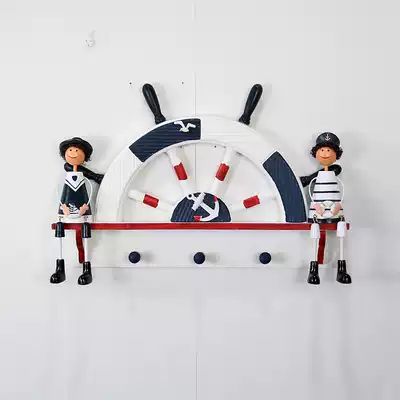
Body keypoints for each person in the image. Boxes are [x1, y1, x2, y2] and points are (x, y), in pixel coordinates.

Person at [50, 137, 103, 285]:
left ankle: (87, 269)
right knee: (60, 229)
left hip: (82, 214)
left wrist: (84, 208)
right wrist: (64, 208)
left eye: (77, 150)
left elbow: (85, 196)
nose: (73, 152)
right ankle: (60, 268)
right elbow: (64, 197)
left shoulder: (82, 180)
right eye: (71, 150)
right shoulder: (68, 179)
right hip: (67, 214)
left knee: (86, 233)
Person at [301, 132, 351, 285]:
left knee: (340, 236)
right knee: (315, 237)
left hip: (335, 213)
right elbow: (314, 197)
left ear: (336, 154)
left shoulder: (333, 180)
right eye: (322, 150)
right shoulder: (317, 180)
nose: (325, 153)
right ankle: (313, 270)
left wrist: (337, 207)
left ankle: (341, 270)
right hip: (318, 213)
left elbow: (338, 197)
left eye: (329, 150)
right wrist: (317, 206)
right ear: (316, 152)